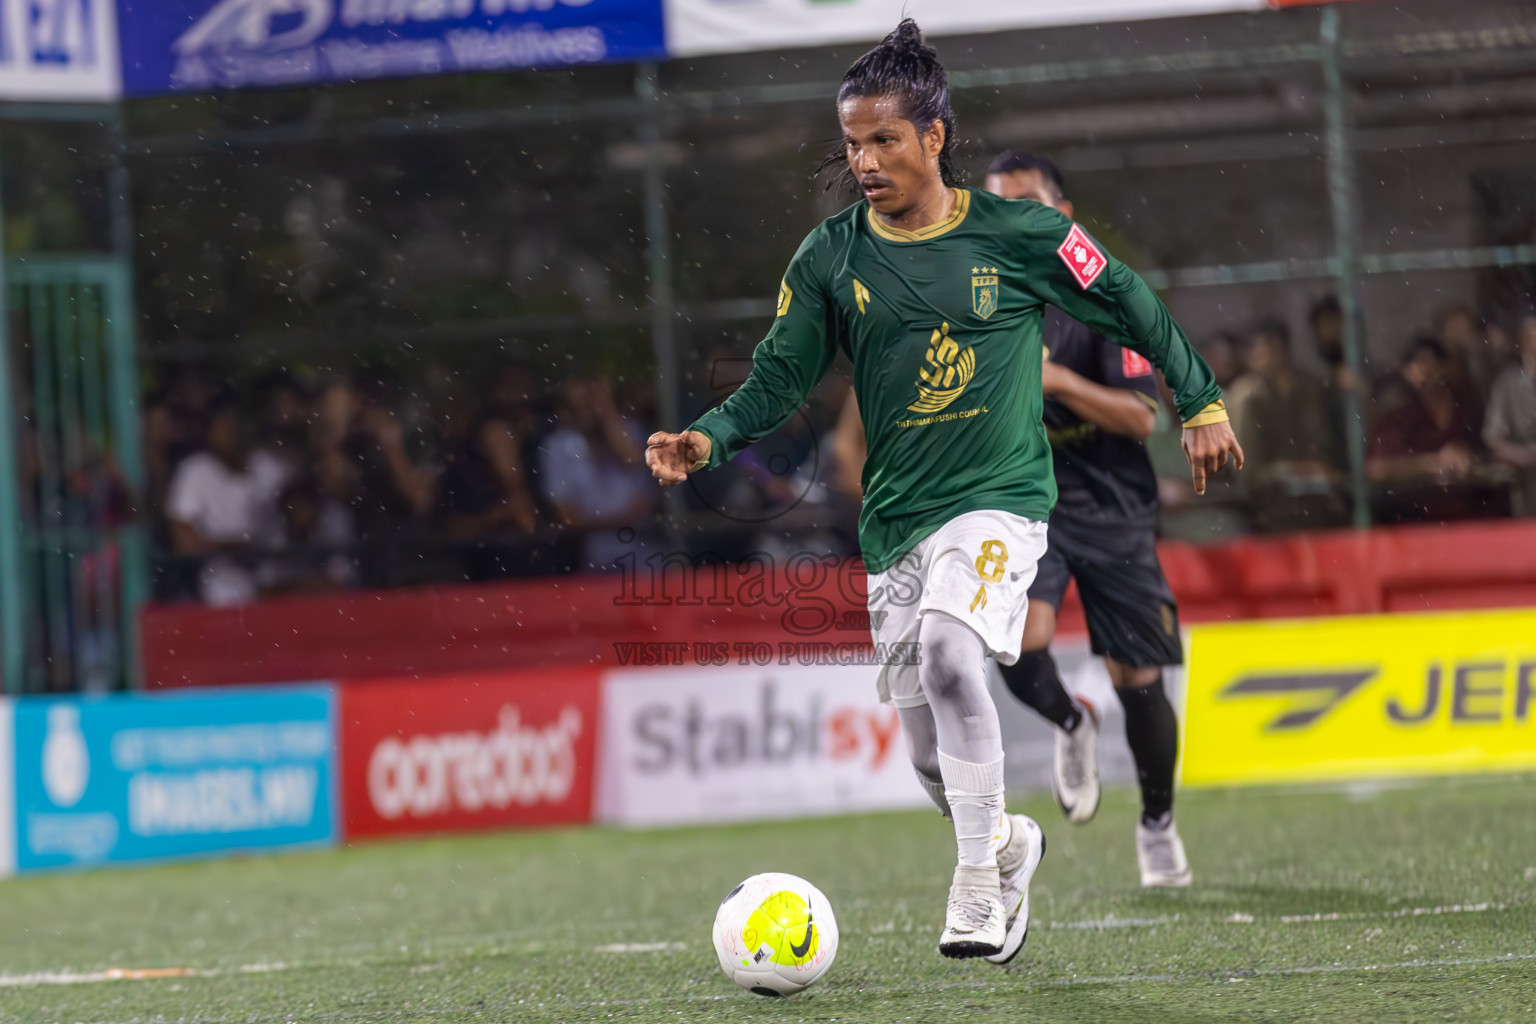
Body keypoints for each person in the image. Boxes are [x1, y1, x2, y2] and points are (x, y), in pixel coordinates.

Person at [645, 21, 1241, 963]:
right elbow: (778, 381)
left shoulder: (1021, 234)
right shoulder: (830, 257)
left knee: (959, 655)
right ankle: (1008, 843)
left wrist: (1199, 398)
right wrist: (707, 435)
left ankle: (974, 893)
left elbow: (1128, 297)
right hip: (898, 526)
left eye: (885, 139)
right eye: (852, 143)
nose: (866, 161)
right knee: (929, 755)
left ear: (935, 136)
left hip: (1001, 500)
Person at [981, 149, 1193, 888]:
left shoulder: (1104, 298)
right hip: (1026, 504)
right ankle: (1073, 722)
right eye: (997, 206)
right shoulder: (983, 301)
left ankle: (1158, 823)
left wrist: (1061, 381)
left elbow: (1142, 417)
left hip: (1110, 507)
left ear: (1062, 216)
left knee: (1139, 676)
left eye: (1027, 204)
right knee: (1016, 645)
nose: (1013, 220)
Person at [1483, 312, 1536, 516]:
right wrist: (1521, 456)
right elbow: (1493, 436)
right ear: (1521, 342)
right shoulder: (1507, 383)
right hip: (1526, 480)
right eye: (1531, 336)